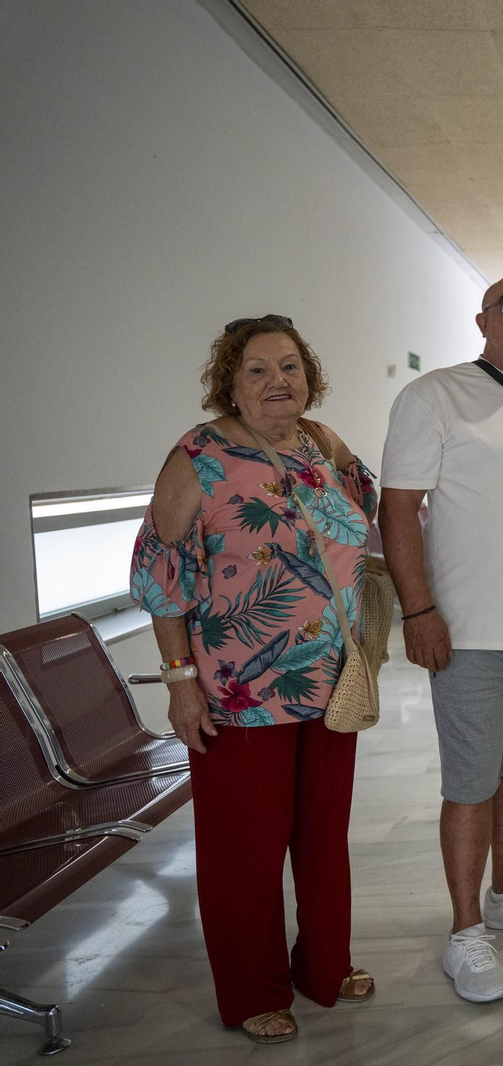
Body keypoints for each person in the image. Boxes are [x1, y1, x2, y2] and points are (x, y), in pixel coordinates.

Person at [130, 314, 378, 1044]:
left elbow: (368, 522)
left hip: (331, 680)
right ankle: (252, 990)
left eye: (291, 367)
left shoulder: (325, 445)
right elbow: (162, 578)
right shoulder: (197, 457)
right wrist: (180, 680)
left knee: (323, 836)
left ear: (311, 376)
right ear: (229, 384)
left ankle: (324, 966)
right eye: (259, 370)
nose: (279, 382)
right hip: (238, 689)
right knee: (246, 847)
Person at [378, 272, 503, 1004]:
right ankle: (466, 931)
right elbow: (397, 507)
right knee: (470, 783)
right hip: (465, 632)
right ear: (483, 319)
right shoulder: (434, 395)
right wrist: (418, 610)